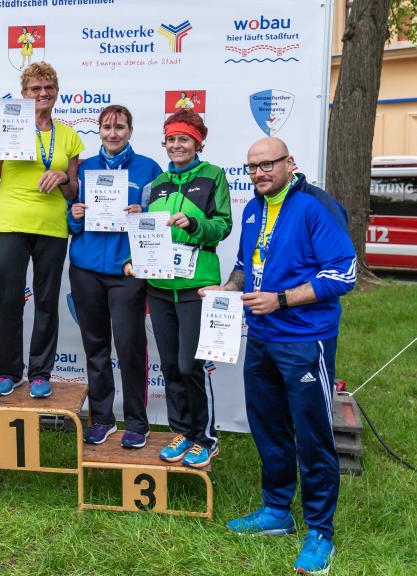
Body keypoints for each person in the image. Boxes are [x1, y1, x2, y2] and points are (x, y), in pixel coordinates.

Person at [206, 137, 356, 575]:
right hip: (261, 336)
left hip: (305, 339)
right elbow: (244, 266)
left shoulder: (316, 206)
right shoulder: (254, 207)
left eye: (267, 164)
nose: (259, 173)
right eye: (252, 167)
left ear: (290, 162)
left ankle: (320, 532)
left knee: (312, 435)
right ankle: (276, 510)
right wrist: (225, 290)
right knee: (268, 427)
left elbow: (343, 273)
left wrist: (281, 300)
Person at [124, 110, 232, 467]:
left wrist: (194, 223)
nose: (176, 145)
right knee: (171, 366)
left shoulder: (213, 176)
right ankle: (183, 432)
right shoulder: (156, 183)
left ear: (198, 142)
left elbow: (223, 226)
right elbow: (148, 233)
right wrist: (133, 260)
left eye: (183, 139)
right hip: (159, 286)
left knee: (190, 365)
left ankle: (206, 438)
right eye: (171, 139)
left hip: (196, 285)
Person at [0, 62, 83, 399]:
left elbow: (73, 189)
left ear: (57, 92)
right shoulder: (8, 126)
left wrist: (63, 177)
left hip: (52, 226)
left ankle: (40, 373)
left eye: (48, 88)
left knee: (47, 301)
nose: (42, 94)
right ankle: (9, 372)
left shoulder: (69, 136)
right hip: (10, 222)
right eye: (35, 88)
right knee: (10, 300)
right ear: (23, 94)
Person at [67, 105, 161, 448]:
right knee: (95, 347)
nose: (112, 133)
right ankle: (102, 419)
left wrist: (143, 212)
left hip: (127, 270)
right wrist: (75, 214)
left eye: (119, 127)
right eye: (106, 127)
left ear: (130, 130)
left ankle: (136, 422)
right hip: (86, 268)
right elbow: (69, 221)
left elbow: (159, 219)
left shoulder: (149, 168)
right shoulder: (84, 168)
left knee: (130, 346)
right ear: (99, 131)